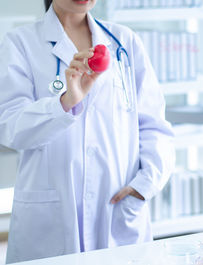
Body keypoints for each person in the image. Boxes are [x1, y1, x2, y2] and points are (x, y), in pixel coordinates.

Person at [0, 0, 175, 263]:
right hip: (51, 211)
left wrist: (145, 184)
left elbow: (154, 125)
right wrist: (64, 103)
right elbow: (10, 127)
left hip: (117, 206)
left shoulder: (124, 42)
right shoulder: (20, 44)